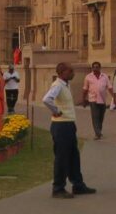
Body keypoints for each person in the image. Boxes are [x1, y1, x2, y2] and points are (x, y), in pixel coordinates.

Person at [42, 62, 97, 199]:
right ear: (62, 72)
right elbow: (46, 99)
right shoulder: (57, 85)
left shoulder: (65, 85)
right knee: (62, 157)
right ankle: (58, 188)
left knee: (73, 155)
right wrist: (56, 111)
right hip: (61, 126)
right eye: (70, 71)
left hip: (68, 124)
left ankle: (78, 185)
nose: (73, 73)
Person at [81, 61, 112, 140]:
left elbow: (110, 87)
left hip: (103, 99)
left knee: (101, 117)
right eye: (94, 67)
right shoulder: (88, 77)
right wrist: (84, 100)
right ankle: (97, 133)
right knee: (95, 117)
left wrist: (115, 98)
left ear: (100, 68)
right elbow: (85, 89)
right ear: (92, 68)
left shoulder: (105, 76)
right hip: (93, 99)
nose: (95, 68)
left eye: (97, 67)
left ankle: (99, 131)